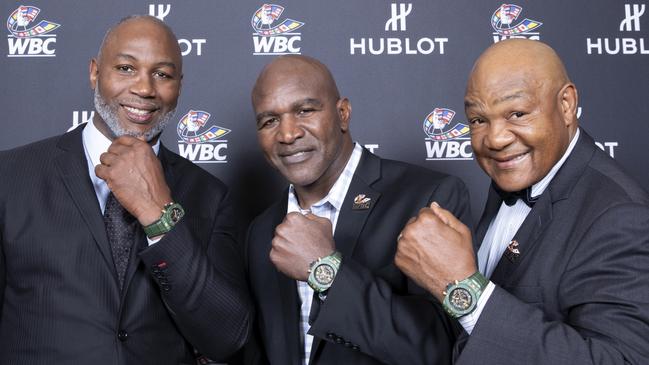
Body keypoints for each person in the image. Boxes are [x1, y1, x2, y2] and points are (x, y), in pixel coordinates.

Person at [0, 15, 252, 364]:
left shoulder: (209, 195)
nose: (145, 89)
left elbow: (226, 337)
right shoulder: (11, 176)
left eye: (162, 74)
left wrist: (158, 215)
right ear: (94, 72)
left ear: (179, 86)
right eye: (125, 68)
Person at [395, 39, 649, 364]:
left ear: (567, 104)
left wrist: (462, 290)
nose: (495, 139)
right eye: (478, 120)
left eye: (517, 113)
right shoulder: (512, 178)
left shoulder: (620, 216)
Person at [241, 54, 470, 365]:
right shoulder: (261, 232)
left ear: (343, 114)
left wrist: (326, 271)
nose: (287, 134)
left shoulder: (427, 198)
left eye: (305, 111)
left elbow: (440, 351)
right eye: (269, 121)